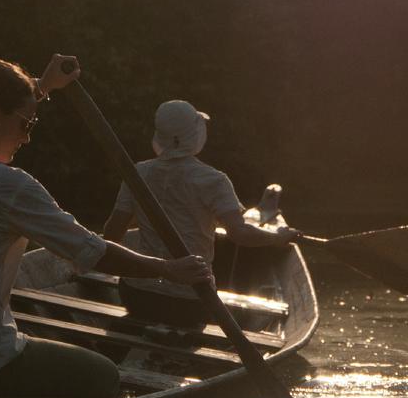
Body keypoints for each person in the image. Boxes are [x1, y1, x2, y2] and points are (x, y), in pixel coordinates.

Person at [0, 54, 213, 398]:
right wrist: (167, 269)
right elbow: (91, 250)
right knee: (104, 375)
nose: (27, 138)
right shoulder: (10, 187)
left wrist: (41, 87)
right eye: (27, 124)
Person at [102, 99, 296, 327]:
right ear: (194, 135)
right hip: (191, 302)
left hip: (137, 296)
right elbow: (240, 234)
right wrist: (277, 238)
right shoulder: (214, 180)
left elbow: (112, 234)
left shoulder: (138, 173)